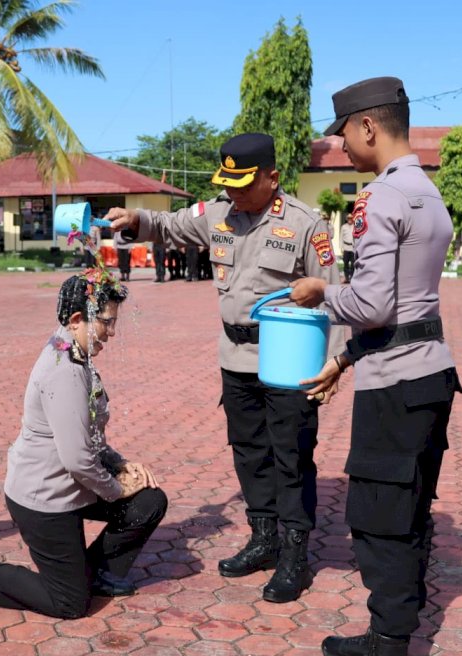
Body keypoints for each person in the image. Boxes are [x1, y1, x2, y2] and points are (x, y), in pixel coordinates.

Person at [106, 133, 341, 603]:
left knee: (291, 456)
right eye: (228, 183)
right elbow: (168, 225)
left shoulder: (304, 224)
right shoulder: (218, 214)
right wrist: (135, 219)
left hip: (288, 355)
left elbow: (333, 295)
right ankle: (264, 538)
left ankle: (295, 553)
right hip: (234, 357)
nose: (234, 193)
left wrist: (333, 363)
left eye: (244, 183)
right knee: (250, 452)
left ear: (272, 178)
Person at [290, 77, 462, 656]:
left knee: (380, 521)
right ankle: (387, 636)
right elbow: (408, 310)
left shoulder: (380, 197)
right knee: (408, 510)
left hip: (397, 386)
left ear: (368, 126)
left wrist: (318, 294)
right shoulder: (428, 190)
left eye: (341, 134)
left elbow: (372, 301)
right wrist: (345, 362)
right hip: (429, 374)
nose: (339, 146)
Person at [0, 265, 167, 619]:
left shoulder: (73, 351)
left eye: (113, 322)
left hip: (74, 486)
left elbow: (88, 437)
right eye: (106, 322)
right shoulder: (64, 371)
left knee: (149, 501)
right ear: (77, 319)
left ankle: (95, 575)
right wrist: (116, 488)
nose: (111, 333)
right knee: (69, 604)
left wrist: (121, 465)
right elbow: (79, 459)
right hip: (45, 499)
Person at [340, 212, 355, 283]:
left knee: (353, 264)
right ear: (347, 219)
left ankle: (352, 277)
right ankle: (346, 278)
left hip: (353, 248)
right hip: (345, 247)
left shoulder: (355, 227)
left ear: (353, 219)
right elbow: (341, 238)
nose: (350, 219)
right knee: (345, 264)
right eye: (348, 218)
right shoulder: (343, 227)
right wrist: (341, 248)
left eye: (351, 218)